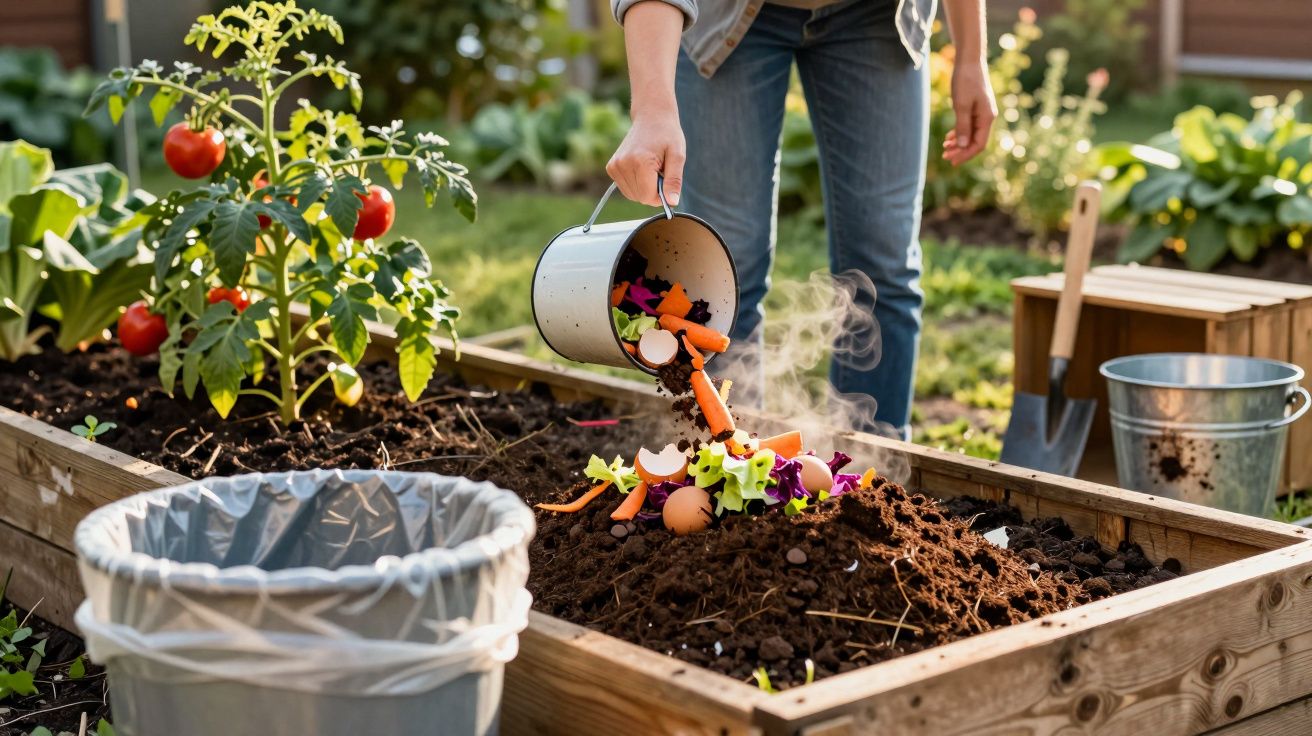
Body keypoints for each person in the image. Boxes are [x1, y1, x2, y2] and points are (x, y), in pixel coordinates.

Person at [604, 0, 996, 439]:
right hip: (728, 13)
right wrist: (652, 110)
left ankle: (874, 475)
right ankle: (726, 467)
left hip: (878, 16)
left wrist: (971, 57)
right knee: (724, 272)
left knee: (884, 266)